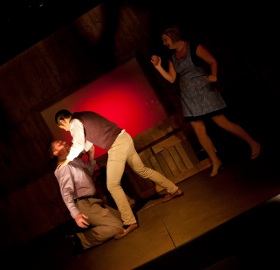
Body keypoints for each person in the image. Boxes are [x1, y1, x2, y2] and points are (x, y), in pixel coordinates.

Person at [54, 109, 184, 239]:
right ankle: (174, 189)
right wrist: (82, 153)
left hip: (116, 145)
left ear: (63, 120)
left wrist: (66, 160)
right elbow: (87, 142)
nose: (66, 130)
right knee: (142, 170)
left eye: (63, 127)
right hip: (124, 137)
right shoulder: (83, 116)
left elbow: (77, 145)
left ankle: (129, 222)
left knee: (112, 185)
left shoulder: (74, 122)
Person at [151, 25, 261, 177]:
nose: (164, 43)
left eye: (165, 40)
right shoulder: (172, 56)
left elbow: (212, 61)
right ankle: (215, 161)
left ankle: (253, 143)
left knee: (222, 122)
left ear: (173, 36)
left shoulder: (193, 47)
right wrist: (158, 67)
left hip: (204, 90)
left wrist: (214, 75)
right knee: (198, 129)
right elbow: (171, 78)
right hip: (188, 96)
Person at [49, 139, 123, 256]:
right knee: (117, 226)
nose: (64, 142)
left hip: (93, 201)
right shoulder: (63, 168)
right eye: (60, 144)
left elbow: (87, 173)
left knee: (123, 219)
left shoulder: (74, 160)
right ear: (56, 153)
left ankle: (81, 237)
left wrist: (91, 156)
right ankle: (79, 240)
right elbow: (66, 192)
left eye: (63, 141)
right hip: (84, 204)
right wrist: (76, 214)